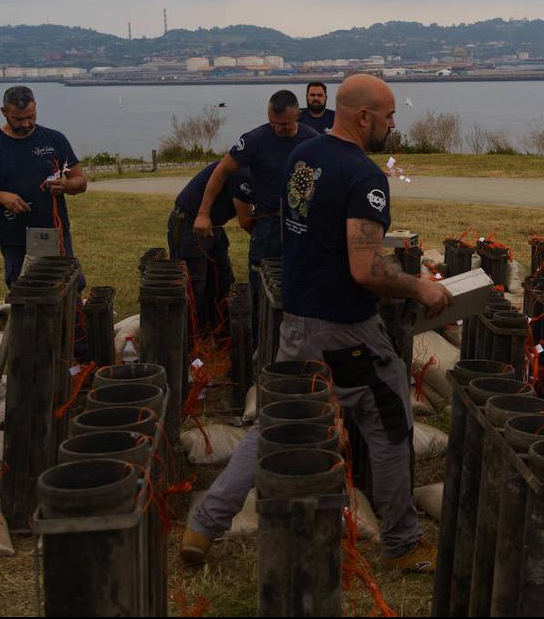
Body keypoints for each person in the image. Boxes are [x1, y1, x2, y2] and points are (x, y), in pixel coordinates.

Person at [181, 74, 451, 572]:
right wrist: (422, 287)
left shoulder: (302, 157)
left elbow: (307, 226)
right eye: (389, 116)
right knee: (391, 421)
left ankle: (205, 522)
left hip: (298, 317)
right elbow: (365, 267)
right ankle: (402, 539)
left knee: (276, 423)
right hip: (344, 327)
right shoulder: (365, 177)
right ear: (364, 117)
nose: (394, 124)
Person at [193, 90, 317, 332]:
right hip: (268, 223)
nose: (278, 129)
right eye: (273, 123)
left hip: (302, 221)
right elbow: (221, 171)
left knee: (302, 281)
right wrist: (203, 212)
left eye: (284, 124)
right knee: (261, 284)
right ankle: (257, 342)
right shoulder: (254, 140)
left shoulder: (312, 141)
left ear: (298, 116)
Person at [0, 86, 87, 286]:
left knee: (67, 284)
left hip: (54, 231)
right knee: (23, 289)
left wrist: (65, 185)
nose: (26, 124)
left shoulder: (55, 140)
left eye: (31, 116)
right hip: (14, 236)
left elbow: (80, 181)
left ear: (35, 107)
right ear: (4, 112)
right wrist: (1, 197)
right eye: (18, 119)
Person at [167, 161, 253, 333]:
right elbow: (246, 222)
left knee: (223, 282)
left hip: (214, 225)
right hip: (190, 223)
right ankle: (189, 345)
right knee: (193, 289)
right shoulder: (243, 172)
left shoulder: (255, 168)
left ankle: (219, 336)